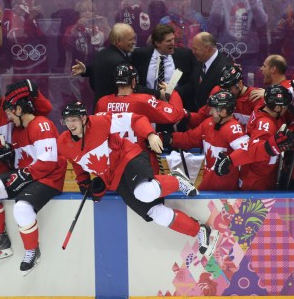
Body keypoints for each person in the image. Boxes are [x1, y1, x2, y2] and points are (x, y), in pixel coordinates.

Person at [57, 101, 221, 258]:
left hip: (129, 158)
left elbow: (136, 119)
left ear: (84, 118)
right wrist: (84, 182)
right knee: (155, 213)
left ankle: (176, 179)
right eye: (67, 120)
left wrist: (149, 134)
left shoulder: (100, 122)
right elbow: (75, 160)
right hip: (114, 179)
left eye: (74, 120)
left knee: (144, 192)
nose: (70, 124)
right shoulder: (63, 142)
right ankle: (200, 230)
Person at [0, 85, 66, 276]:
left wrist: (23, 174)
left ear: (19, 109)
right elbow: (22, 163)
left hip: (49, 180)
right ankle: (0, 240)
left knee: (21, 207)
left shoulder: (42, 125)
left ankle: (32, 251)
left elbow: (48, 163)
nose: (7, 116)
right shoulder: (17, 130)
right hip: (29, 176)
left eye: (9, 111)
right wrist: (9, 155)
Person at [94, 63, 186, 172]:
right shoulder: (143, 101)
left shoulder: (102, 103)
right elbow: (174, 115)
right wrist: (172, 94)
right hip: (140, 162)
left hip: (112, 163)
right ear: (134, 81)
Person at [162, 90, 250, 191]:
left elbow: (248, 150)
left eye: (213, 109)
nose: (209, 112)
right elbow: (190, 138)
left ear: (223, 112)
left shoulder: (233, 128)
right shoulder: (208, 123)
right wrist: (170, 139)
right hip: (208, 184)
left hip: (226, 191)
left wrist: (229, 160)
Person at [213, 85, 292, 190]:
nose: (286, 110)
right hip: (258, 182)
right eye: (285, 106)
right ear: (277, 107)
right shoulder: (266, 124)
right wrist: (231, 160)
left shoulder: (262, 107)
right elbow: (253, 149)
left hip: (259, 177)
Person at [71, 23, 136, 108]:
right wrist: (157, 93)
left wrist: (86, 69)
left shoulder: (102, 53)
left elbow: (101, 73)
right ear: (118, 41)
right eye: (130, 39)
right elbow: (129, 88)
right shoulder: (120, 63)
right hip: (113, 112)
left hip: (100, 108)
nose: (133, 42)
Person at [130, 24, 196, 101]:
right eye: (168, 41)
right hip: (148, 104)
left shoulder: (185, 55)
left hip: (176, 104)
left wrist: (173, 92)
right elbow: (134, 85)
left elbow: (192, 84)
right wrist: (157, 94)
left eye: (173, 39)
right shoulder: (140, 55)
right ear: (157, 43)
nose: (173, 43)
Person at [189, 64, 264, 128]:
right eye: (223, 89)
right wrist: (186, 115)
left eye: (229, 89)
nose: (226, 93)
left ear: (240, 84)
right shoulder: (218, 92)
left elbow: (258, 128)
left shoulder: (255, 97)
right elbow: (203, 116)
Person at [207, 0, 268, 68]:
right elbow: (214, 22)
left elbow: (262, 23)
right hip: (226, 51)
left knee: (249, 78)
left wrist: (251, 0)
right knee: (226, 78)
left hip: (249, 53)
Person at [184, 32, 231, 112]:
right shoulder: (199, 60)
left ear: (207, 48)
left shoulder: (225, 68)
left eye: (195, 49)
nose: (193, 52)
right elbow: (193, 86)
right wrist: (173, 91)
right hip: (194, 116)